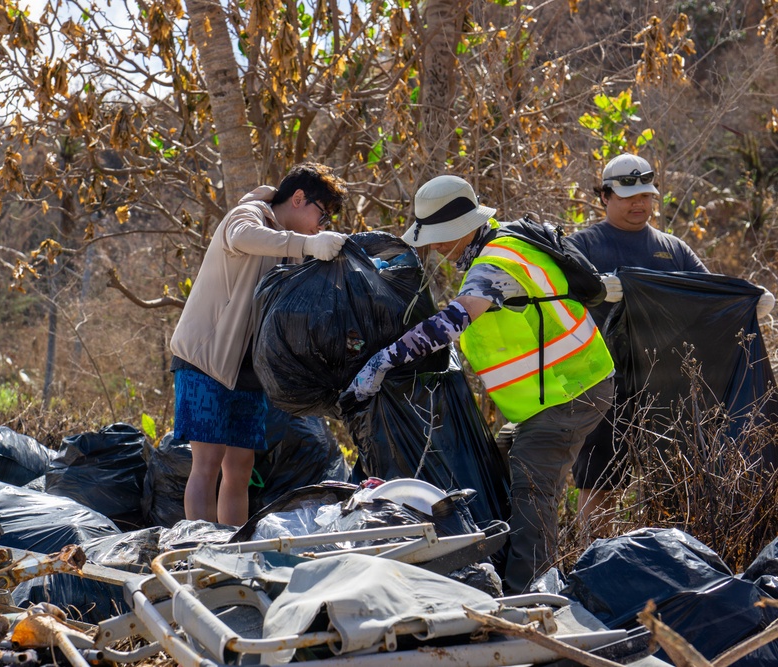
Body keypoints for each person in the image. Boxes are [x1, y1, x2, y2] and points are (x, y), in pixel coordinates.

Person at [346, 174, 615, 594]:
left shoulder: (496, 262)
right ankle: (509, 571)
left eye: (438, 237)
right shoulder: (500, 246)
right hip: (555, 393)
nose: (434, 246)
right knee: (499, 465)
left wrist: (386, 359)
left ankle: (529, 598)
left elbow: (458, 317)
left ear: (461, 228)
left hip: (570, 390)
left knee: (531, 484)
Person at [566, 153, 775, 535]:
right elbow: (554, 304)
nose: (639, 204)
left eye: (645, 196)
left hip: (668, 388)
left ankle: (669, 566)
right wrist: (592, 290)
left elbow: (708, 295)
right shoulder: (582, 246)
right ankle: (589, 565)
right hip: (602, 384)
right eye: (629, 196)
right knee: (600, 485)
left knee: (676, 487)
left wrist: (746, 300)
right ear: (605, 196)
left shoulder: (673, 249)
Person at [170, 162, 348, 527]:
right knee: (207, 463)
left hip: (251, 370)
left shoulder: (293, 245)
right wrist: (309, 244)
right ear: (299, 198)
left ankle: (231, 552)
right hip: (207, 360)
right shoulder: (249, 215)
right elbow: (241, 237)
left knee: (240, 467)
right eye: (322, 214)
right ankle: (198, 548)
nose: (321, 226)